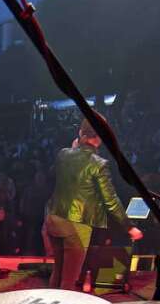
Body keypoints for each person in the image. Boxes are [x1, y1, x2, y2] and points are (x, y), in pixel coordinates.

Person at [44, 119, 141, 291]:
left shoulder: (63, 154)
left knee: (57, 273)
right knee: (68, 280)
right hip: (76, 225)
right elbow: (111, 201)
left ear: (81, 134)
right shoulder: (98, 164)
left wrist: (74, 149)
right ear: (99, 139)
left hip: (53, 219)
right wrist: (129, 227)